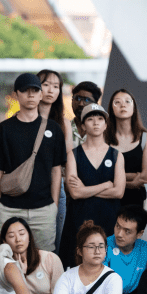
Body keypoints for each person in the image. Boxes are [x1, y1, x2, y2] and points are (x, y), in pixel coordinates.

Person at [0, 73, 67, 252]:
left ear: (40, 94)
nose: (31, 95)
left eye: (35, 90)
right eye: (25, 90)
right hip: (9, 209)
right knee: (7, 258)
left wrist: (53, 205)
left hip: (44, 209)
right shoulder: (4, 129)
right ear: (16, 94)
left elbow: (56, 170)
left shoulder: (53, 129)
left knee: (45, 259)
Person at [58, 102, 125, 268]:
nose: (96, 122)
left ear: (106, 124)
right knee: (76, 265)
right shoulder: (73, 155)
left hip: (108, 219)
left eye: (100, 119)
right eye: (90, 119)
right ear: (82, 126)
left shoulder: (116, 155)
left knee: (108, 267)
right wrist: (106, 185)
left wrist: (85, 189)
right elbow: (75, 193)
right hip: (79, 219)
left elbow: (118, 192)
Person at [0, 217, 64, 294]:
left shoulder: (49, 258)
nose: (18, 239)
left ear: (29, 236)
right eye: (11, 236)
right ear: (4, 241)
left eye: (22, 234)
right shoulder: (3, 266)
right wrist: (20, 273)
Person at [37, 69, 74, 248]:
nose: (51, 90)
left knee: (55, 244)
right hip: (29, 187)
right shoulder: (23, 119)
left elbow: (66, 157)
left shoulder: (64, 122)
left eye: (56, 86)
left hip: (56, 185)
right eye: (46, 85)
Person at [105, 89, 147, 209]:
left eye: (128, 101)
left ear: (134, 108)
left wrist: (115, 181)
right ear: (111, 108)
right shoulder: (103, 137)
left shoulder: (145, 137)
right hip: (108, 199)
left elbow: (146, 176)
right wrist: (134, 179)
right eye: (117, 102)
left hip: (135, 201)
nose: (123, 105)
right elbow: (101, 174)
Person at [69, 81, 101, 145]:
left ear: (96, 105)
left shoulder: (102, 131)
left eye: (87, 100)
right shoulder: (63, 128)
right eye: (77, 98)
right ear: (72, 100)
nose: (81, 104)